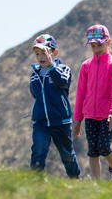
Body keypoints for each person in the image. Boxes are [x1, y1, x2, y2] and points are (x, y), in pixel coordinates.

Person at [73, 25, 112, 181]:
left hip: (107, 114)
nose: (96, 49)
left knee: (103, 147)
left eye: (100, 45)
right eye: (93, 46)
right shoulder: (85, 66)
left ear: (108, 42)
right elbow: (80, 93)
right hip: (89, 114)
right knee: (93, 151)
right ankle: (97, 184)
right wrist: (77, 119)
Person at [29, 34, 81, 179]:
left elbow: (63, 83)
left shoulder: (63, 69)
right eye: (37, 54)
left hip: (61, 121)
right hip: (41, 122)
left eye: (44, 52)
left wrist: (51, 66)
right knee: (38, 149)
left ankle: (75, 179)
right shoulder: (34, 74)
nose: (40, 57)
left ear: (54, 53)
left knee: (67, 154)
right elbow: (35, 94)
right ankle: (35, 180)